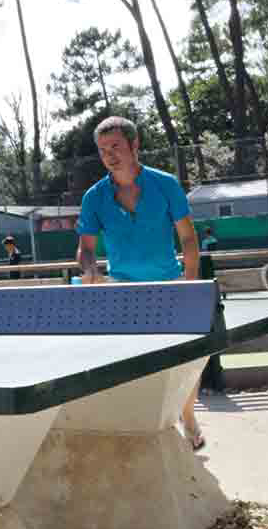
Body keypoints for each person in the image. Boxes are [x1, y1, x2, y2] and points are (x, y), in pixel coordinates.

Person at [76, 116, 205, 451]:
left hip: (170, 286)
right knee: (125, 365)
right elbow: (86, 249)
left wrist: (189, 286)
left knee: (187, 362)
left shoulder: (165, 185)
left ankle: (188, 416)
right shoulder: (94, 197)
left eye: (116, 146)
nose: (109, 155)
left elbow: (189, 239)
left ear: (135, 145)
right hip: (120, 292)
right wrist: (88, 269)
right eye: (103, 150)